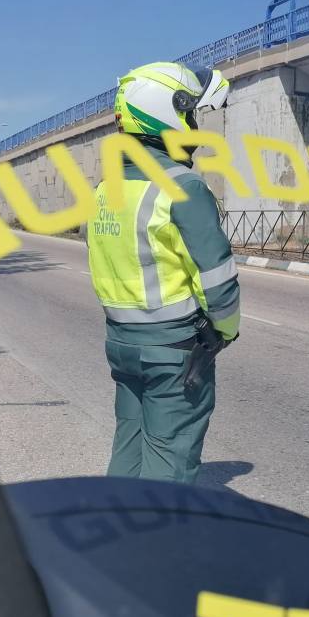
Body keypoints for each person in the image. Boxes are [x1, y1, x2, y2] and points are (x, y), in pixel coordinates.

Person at [86, 62, 240, 484]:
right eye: (191, 115)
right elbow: (217, 274)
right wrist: (224, 330)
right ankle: (162, 546)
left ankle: (118, 535)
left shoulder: (106, 191)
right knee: (171, 458)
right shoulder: (182, 187)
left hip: (121, 343)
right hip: (174, 350)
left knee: (130, 444)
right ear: (168, 113)